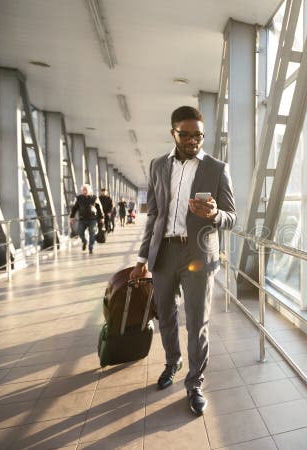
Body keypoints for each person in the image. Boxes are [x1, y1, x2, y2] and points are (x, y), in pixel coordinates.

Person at [130, 106, 236, 416]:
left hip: (198, 254)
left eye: (198, 135)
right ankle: (172, 362)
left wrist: (215, 214)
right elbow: (154, 215)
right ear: (173, 133)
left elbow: (232, 218)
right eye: (185, 134)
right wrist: (141, 257)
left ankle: (195, 383)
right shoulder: (158, 165)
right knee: (165, 314)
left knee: (197, 321)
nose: (193, 140)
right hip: (163, 252)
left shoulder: (217, 168)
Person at [70, 184, 104, 254]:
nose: (84, 191)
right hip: (82, 219)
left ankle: (91, 247)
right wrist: (72, 217)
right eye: (83, 190)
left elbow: (99, 208)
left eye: (86, 190)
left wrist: (102, 217)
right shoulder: (79, 198)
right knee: (80, 232)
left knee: (92, 233)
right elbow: (74, 208)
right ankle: (84, 241)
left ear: (89, 190)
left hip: (92, 219)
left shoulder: (94, 198)